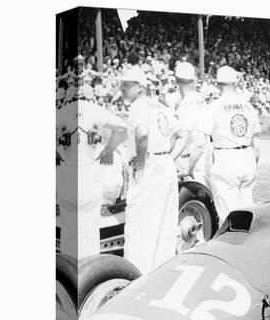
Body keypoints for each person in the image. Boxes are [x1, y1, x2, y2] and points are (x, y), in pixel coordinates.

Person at [120, 66, 180, 274]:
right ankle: (161, 273)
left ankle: (137, 275)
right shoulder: (161, 106)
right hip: (164, 163)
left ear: (139, 87)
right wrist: (168, 158)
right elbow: (181, 135)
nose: (122, 90)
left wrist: (142, 165)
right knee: (164, 224)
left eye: (126, 86)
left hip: (149, 165)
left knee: (140, 225)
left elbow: (142, 134)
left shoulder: (139, 106)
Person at [56, 98, 127, 259]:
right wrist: (109, 149)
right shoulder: (92, 109)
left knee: (68, 233)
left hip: (69, 175)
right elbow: (122, 127)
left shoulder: (64, 110)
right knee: (89, 233)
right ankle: (87, 274)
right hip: (88, 174)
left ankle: (70, 275)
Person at [196, 65, 261, 225]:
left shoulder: (214, 107)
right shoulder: (248, 106)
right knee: (248, 209)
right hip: (247, 155)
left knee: (228, 214)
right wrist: (253, 162)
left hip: (226, 156)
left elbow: (199, 141)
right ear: (235, 83)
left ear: (218, 84)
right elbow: (256, 142)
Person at [170, 62, 211, 189]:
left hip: (192, 162)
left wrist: (168, 162)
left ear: (177, 81)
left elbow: (195, 140)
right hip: (201, 159)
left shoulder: (187, 104)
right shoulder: (199, 99)